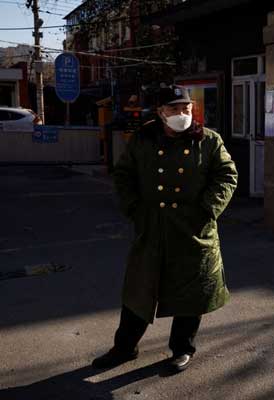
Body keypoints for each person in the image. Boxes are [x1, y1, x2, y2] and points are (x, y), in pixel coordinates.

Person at [92, 85, 238, 373]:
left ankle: (182, 349)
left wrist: (207, 209)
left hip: (193, 230)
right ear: (160, 112)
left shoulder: (208, 140)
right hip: (152, 229)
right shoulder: (143, 140)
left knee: (190, 293)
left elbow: (227, 175)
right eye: (173, 109)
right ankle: (124, 348)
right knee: (138, 290)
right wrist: (135, 209)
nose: (181, 114)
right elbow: (123, 175)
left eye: (185, 108)